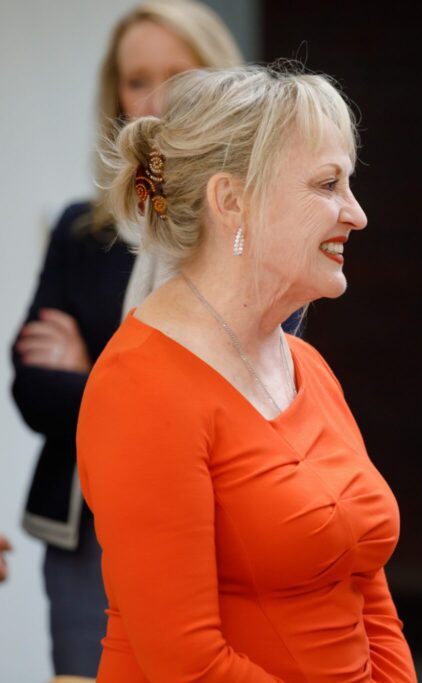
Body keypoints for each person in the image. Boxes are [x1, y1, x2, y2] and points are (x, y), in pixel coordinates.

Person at [77, 64, 415, 682]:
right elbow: (185, 664)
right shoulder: (141, 386)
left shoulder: (305, 363)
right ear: (232, 200)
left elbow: (368, 595)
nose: (357, 213)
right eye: (327, 184)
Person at [10, 1, 241, 676]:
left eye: (180, 74)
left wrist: (94, 369)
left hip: (213, 534)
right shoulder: (83, 227)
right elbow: (31, 388)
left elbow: (231, 397)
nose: (158, 97)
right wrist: (138, 387)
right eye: (138, 79)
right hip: (82, 533)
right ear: (116, 95)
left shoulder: (243, 229)